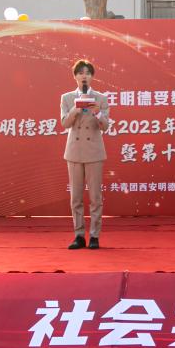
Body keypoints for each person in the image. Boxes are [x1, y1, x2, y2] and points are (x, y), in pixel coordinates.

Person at [60, 59, 110, 250]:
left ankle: (95, 236)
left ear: (92, 77)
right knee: (76, 197)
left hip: (94, 151)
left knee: (96, 197)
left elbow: (105, 126)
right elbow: (65, 123)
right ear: (75, 76)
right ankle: (79, 235)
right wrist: (76, 107)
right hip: (74, 151)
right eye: (80, 73)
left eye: (87, 73)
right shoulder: (66, 98)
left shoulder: (101, 98)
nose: (84, 76)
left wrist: (98, 113)